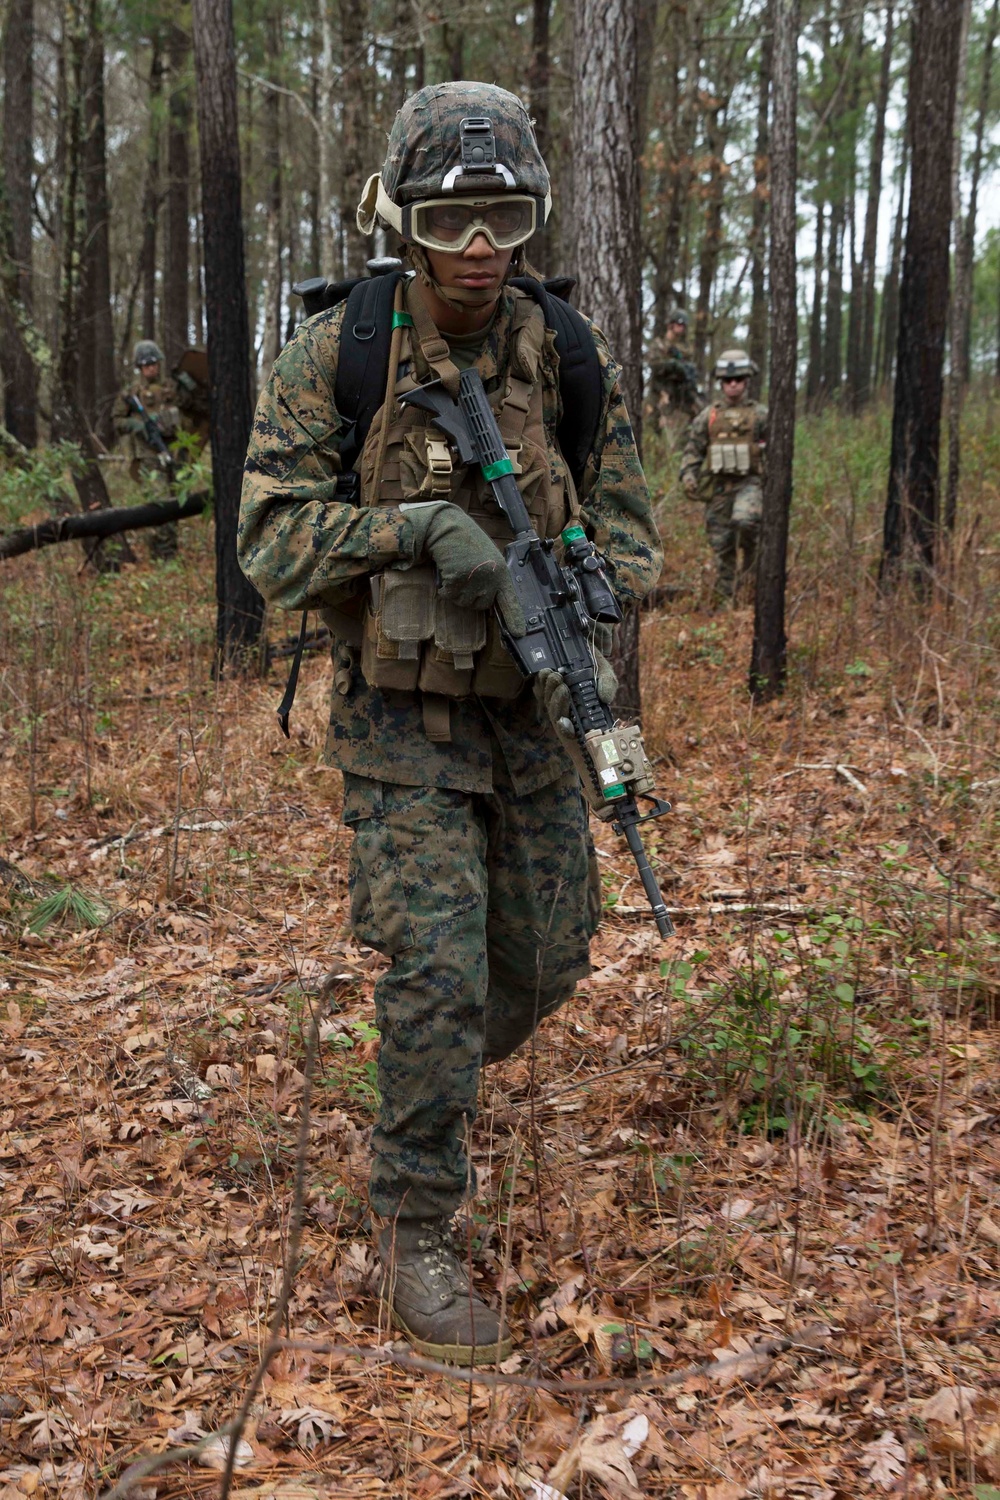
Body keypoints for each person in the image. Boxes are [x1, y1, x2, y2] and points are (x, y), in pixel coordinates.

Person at [238, 81, 662, 1365]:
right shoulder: (339, 355)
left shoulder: (563, 352)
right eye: (451, 216)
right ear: (402, 220)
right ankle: (414, 1221)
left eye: (503, 214)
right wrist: (410, 531)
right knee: (436, 968)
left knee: (544, 962)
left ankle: (418, 1086)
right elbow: (266, 538)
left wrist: (589, 569)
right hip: (403, 726)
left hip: (532, 718)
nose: (479, 244)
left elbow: (634, 526)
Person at [679, 348, 767, 605]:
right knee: (722, 545)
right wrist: (688, 476)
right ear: (721, 382)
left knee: (746, 522)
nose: (733, 385)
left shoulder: (761, 415)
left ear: (747, 381)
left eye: (738, 380)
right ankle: (725, 598)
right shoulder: (709, 416)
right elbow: (693, 450)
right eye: (727, 381)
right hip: (718, 489)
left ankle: (751, 588)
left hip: (750, 484)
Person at [114, 340, 184, 561]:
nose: (152, 368)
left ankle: (169, 550)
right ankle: (161, 553)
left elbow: (187, 411)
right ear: (140, 367)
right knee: (159, 501)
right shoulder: (132, 393)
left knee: (174, 501)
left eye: (154, 363)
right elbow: (116, 421)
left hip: (172, 451)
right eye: (147, 365)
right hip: (148, 456)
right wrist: (138, 426)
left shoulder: (170, 387)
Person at [648, 307, 700, 424]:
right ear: (671, 324)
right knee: (654, 423)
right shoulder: (659, 345)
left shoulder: (685, 349)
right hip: (661, 391)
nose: (681, 328)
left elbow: (689, 369)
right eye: (679, 324)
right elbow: (654, 365)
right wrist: (671, 365)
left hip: (679, 393)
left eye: (684, 325)